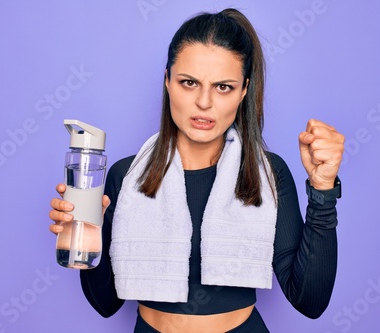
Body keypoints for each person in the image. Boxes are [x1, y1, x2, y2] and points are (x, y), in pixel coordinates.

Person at [49, 8, 344, 333]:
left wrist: (323, 190)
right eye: (189, 82)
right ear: (167, 81)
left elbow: (310, 301)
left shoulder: (266, 174)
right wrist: (88, 234)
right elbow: (105, 304)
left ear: (244, 90)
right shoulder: (125, 176)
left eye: (223, 87)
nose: (204, 102)